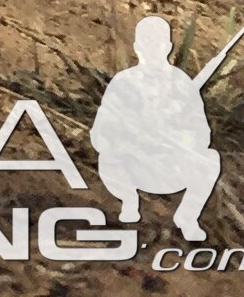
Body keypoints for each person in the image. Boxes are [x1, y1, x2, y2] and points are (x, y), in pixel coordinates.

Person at [92, 17, 223, 240]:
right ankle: (129, 202)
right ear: (137, 48)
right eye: (147, 44)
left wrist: (174, 133)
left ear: (169, 48)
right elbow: (100, 135)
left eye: (158, 44)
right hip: (132, 166)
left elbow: (202, 135)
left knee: (210, 159)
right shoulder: (124, 82)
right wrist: (133, 135)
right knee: (108, 156)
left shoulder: (181, 84)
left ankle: (188, 217)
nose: (152, 51)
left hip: (170, 166)